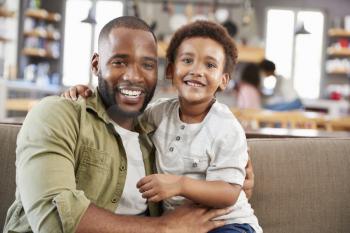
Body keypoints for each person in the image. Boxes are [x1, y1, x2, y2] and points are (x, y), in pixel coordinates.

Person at [3, 17, 254, 233]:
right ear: (96, 65)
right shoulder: (59, 115)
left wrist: (236, 181)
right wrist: (165, 227)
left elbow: (225, 184)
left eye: (147, 65)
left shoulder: (151, 132)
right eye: (119, 62)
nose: (134, 76)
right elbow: (52, 221)